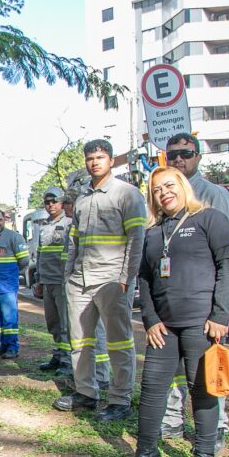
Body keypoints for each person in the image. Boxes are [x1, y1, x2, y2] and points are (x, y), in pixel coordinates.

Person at [119, 167, 229, 457]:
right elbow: (144, 277)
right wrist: (151, 318)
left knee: (202, 391)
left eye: (169, 185)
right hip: (164, 328)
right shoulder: (154, 232)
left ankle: (203, 456)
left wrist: (220, 316)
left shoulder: (210, 219)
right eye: (157, 190)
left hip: (202, 324)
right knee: (151, 389)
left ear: (183, 186)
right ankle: (146, 453)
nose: (163, 193)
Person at [54, 139, 145, 421]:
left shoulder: (127, 194)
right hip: (80, 280)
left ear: (111, 160)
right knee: (80, 342)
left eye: (101, 157)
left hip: (111, 280)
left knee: (119, 342)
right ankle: (86, 393)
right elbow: (74, 242)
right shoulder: (81, 200)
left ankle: (120, 399)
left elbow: (136, 239)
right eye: (90, 158)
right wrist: (69, 275)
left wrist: (126, 278)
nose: (95, 162)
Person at [161, 133, 229, 447]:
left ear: (198, 157)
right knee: (176, 367)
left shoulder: (214, 194)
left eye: (186, 153)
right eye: (173, 155)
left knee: (208, 367)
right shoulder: (164, 198)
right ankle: (172, 422)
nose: (179, 160)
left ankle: (215, 427)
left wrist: (220, 311)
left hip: (205, 302)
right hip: (174, 300)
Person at [62, 194, 111, 389]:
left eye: (69, 203)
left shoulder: (93, 221)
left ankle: (101, 376)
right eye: (65, 203)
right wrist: (68, 278)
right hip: (78, 282)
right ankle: (86, 380)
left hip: (96, 282)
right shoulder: (73, 224)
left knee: (97, 334)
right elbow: (72, 253)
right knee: (81, 336)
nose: (66, 207)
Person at [0, 208, 30, 359]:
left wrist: (10, 274)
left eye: (0, 220)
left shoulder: (14, 238)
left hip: (7, 285)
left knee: (9, 318)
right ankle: (3, 345)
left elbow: (24, 261)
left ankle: (13, 347)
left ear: (5, 220)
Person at [34, 187, 73, 372]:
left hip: (62, 281)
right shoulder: (43, 226)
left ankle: (67, 361)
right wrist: (39, 281)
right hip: (48, 281)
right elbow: (40, 255)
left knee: (66, 324)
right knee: (53, 323)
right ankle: (58, 355)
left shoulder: (69, 223)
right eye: (47, 202)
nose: (50, 205)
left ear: (62, 202)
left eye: (54, 201)